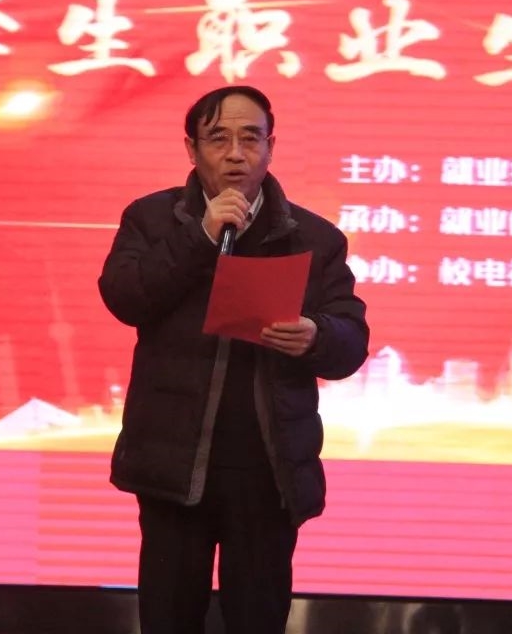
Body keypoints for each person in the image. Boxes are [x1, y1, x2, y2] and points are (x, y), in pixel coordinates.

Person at [98, 85, 370, 634]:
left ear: (271, 147)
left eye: (251, 138)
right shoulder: (151, 220)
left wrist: (316, 336)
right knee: (168, 617)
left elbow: (352, 339)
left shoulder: (314, 238)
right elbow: (124, 297)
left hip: (267, 470)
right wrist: (199, 238)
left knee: (258, 618)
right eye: (218, 139)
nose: (236, 154)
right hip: (174, 463)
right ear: (191, 149)